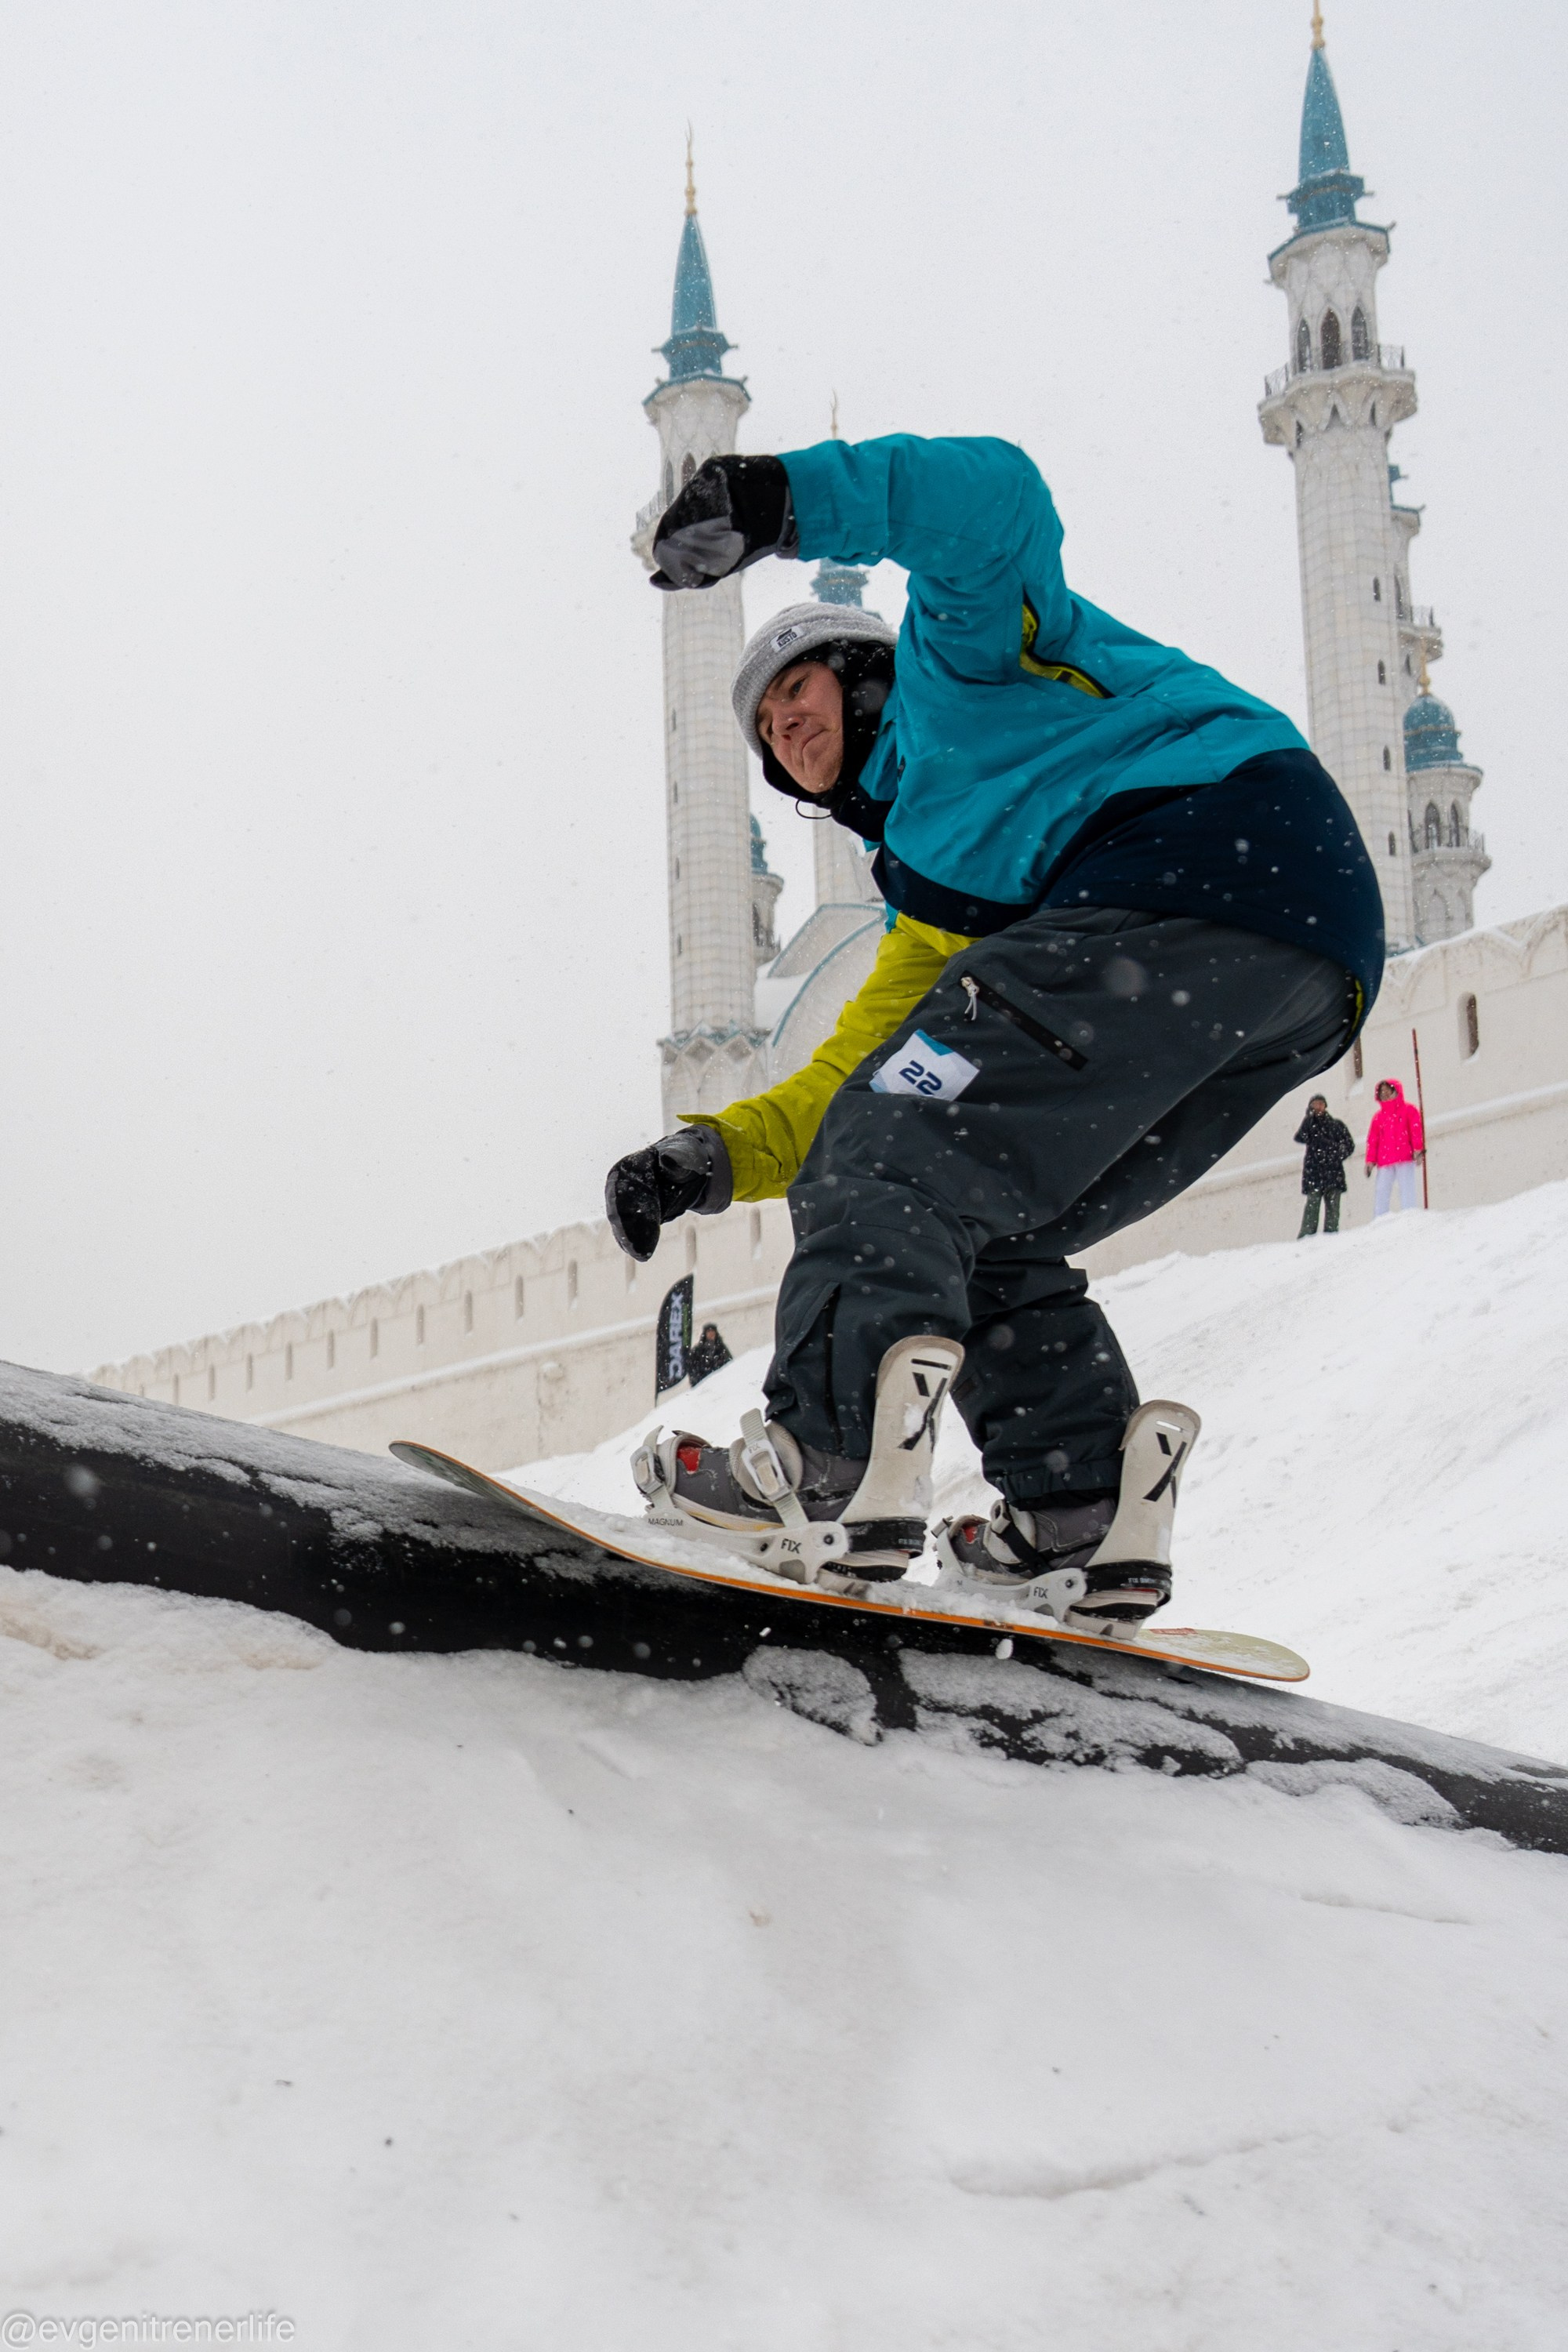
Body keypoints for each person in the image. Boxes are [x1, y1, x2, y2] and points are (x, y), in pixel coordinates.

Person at [606, 434, 1383, 1633]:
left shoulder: (959, 671)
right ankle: (1074, 1519)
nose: (785, 728)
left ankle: (816, 1465)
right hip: (1294, 965)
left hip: (1197, 855)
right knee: (980, 1207)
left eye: (797, 692)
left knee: (892, 1154)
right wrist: (707, 1159)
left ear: (862, 675)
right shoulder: (938, 889)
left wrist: (782, 502)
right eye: (765, 725)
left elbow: (996, 501)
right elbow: (857, 1076)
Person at [1294, 1094, 1355, 1236]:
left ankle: (1331, 1235)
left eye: (1320, 1104)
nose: (1318, 1107)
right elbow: (1300, 1137)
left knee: (1333, 1208)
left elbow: (1349, 1145)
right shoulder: (1309, 1125)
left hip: (1333, 1173)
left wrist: (1336, 1155)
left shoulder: (1336, 1125)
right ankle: (1307, 1235)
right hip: (1314, 1173)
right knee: (1312, 1205)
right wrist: (1308, 1119)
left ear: (1325, 1105)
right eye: (1315, 1104)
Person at [1364, 1077, 1425, 1216]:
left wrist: (1418, 1149)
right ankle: (1380, 1218)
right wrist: (1370, 1161)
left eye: (1387, 1091)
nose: (1384, 1094)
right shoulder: (1378, 1117)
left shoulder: (1409, 1110)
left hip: (1405, 1156)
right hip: (1385, 1160)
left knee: (1407, 1188)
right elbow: (1373, 1140)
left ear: (1395, 1091)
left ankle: (1410, 1214)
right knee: (1382, 1190)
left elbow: (1416, 1131)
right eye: (1382, 1092)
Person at [687, 1321, 733, 1386]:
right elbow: (692, 1367)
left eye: (713, 1331)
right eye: (708, 1331)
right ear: (705, 1334)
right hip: (702, 1384)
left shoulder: (721, 1348)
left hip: (720, 1383)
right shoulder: (698, 1350)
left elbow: (729, 1364)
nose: (711, 1334)